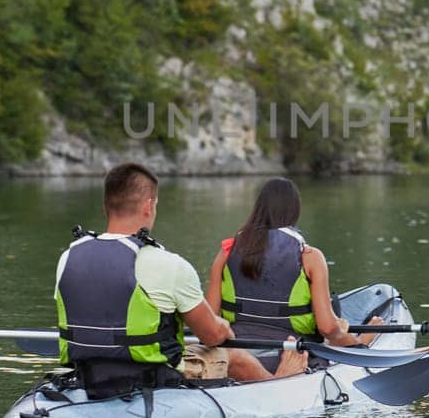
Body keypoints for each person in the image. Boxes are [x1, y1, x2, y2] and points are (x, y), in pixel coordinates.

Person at [54, 162, 306, 397]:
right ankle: (280, 385)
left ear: (105, 206)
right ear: (148, 206)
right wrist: (223, 327)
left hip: (89, 374)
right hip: (153, 378)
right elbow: (211, 336)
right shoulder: (169, 264)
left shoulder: (68, 257)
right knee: (234, 353)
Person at [205, 177, 381, 347]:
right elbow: (327, 328)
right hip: (294, 349)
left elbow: (209, 320)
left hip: (237, 347)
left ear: (258, 208)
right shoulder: (310, 256)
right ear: (295, 211)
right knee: (338, 331)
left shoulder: (227, 251)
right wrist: (353, 339)